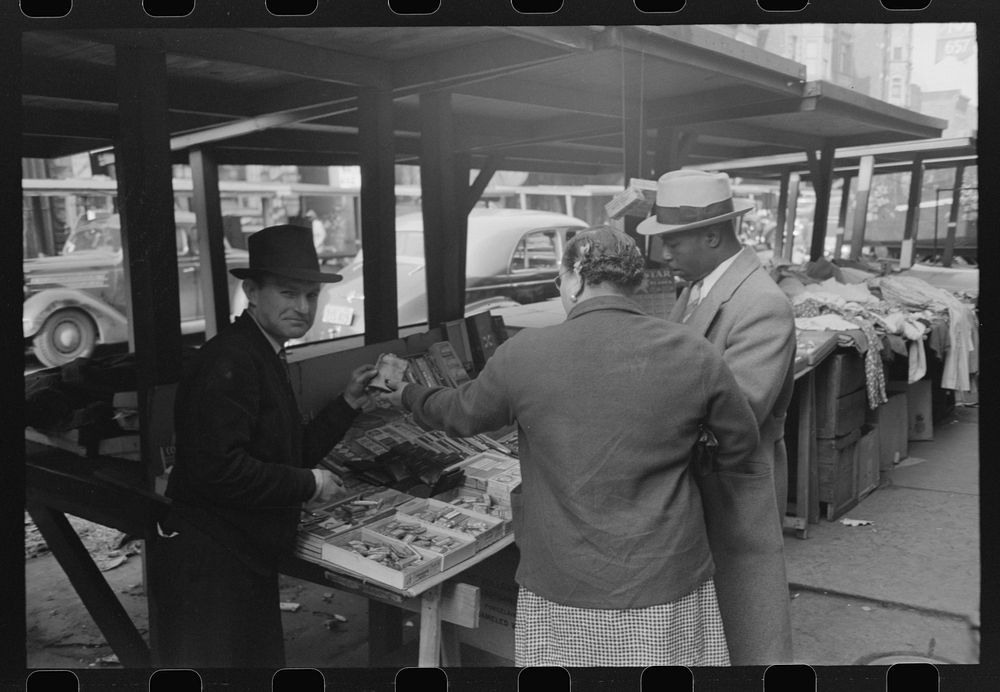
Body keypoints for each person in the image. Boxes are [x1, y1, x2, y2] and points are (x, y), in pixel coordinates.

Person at [382, 227, 760, 667]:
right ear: (635, 283)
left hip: (563, 579)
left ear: (575, 280)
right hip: (666, 574)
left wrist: (408, 394)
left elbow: (460, 413)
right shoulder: (694, 352)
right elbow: (740, 443)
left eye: (558, 280)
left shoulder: (524, 353)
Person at [150, 224, 376, 668]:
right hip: (213, 559)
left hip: (240, 551)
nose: (303, 307)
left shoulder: (263, 351)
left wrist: (348, 403)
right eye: (289, 293)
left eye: (311, 296)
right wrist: (309, 484)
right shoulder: (230, 359)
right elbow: (219, 470)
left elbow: (285, 452)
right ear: (251, 291)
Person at [637, 168, 797, 664]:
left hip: (734, 485)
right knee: (710, 619)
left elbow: (738, 413)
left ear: (712, 234)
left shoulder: (762, 305)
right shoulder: (700, 288)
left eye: (674, 243)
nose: (664, 255)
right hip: (705, 481)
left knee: (747, 616)